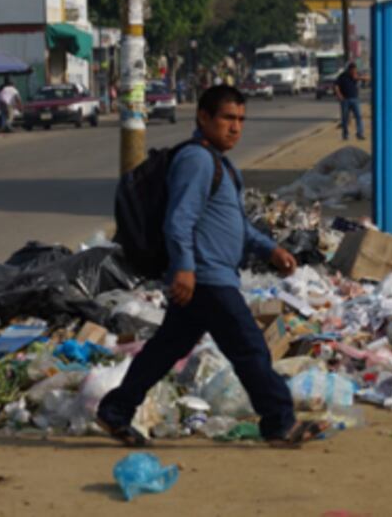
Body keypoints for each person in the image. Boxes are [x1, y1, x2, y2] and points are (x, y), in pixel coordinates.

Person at [97, 85, 327, 447]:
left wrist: (271, 250)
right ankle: (280, 423)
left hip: (208, 276)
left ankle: (115, 411)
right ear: (203, 117)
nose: (235, 127)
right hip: (205, 278)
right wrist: (185, 268)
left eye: (240, 120)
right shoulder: (197, 160)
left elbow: (235, 224)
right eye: (227, 118)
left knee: (163, 350)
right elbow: (179, 219)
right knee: (250, 347)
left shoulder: (220, 164)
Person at [334, 62, 365, 140]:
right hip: (345, 100)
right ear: (349, 70)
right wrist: (339, 95)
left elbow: (368, 78)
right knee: (345, 118)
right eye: (353, 70)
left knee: (358, 116)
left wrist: (358, 78)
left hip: (355, 99)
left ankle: (359, 134)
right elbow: (336, 86)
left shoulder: (357, 75)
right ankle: (345, 135)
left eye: (355, 70)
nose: (354, 71)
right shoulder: (342, 76)